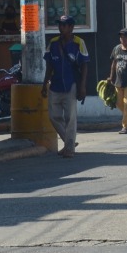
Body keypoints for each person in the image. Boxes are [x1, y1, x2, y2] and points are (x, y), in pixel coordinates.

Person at [43, 15, 89, 158]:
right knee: (53, 116)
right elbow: (49, 65)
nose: (61, 28)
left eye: (64, 25)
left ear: (71, 27)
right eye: (60, 25)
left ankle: (69, 148)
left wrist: (82, 86)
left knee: (70, 117)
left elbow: (85, 65)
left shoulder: (78, 43)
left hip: (71, 84)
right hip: (55, 85)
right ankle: (69, 142)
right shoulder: (53, 43)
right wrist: (44, 84)